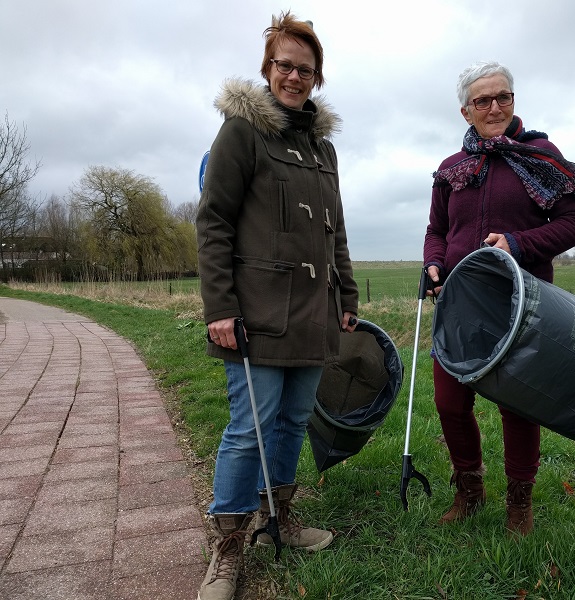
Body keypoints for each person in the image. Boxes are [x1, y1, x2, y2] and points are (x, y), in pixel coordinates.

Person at [195, 11, 358, 600]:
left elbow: (334, 229)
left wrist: (347, 294)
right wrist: (219, 306)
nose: (294, 76)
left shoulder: (324, 149)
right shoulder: (241, 132)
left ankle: (276, 519)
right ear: (267, 68)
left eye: (305, 69)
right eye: (284, 65)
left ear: (317, 78)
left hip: (314, 312)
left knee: (292, 421)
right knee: (251, 427)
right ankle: (227, 546)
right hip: (257, 313)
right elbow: (213, 222)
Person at [423, 61, 575, 535]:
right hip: (460, 305)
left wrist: (518, 244)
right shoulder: (452, 169)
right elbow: (437, 230)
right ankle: (469, 491)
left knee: (518, 405)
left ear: (513, 101)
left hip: (524, 305)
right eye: (483, 100)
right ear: (465, 111)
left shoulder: (541, 154)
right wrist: (433, 263)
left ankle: (520, 503)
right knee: (450, 402)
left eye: (503, 97)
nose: (494, 107)